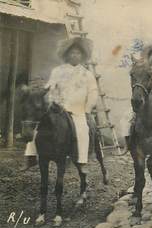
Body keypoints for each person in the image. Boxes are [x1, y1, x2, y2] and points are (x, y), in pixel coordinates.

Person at [21, 37, 98, 170]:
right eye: (72, 53)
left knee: (82, 130)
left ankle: (82, 162)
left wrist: (87, 109)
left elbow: (93, 92)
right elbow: (50, 86)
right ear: (67, 54)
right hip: (57, 107)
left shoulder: (87, 74)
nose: (75, 55)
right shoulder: (58, 70)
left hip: (77, 110)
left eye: (78, 53)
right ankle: (31, 157)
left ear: (82, 55)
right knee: (38, 126)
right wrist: (44, 95)